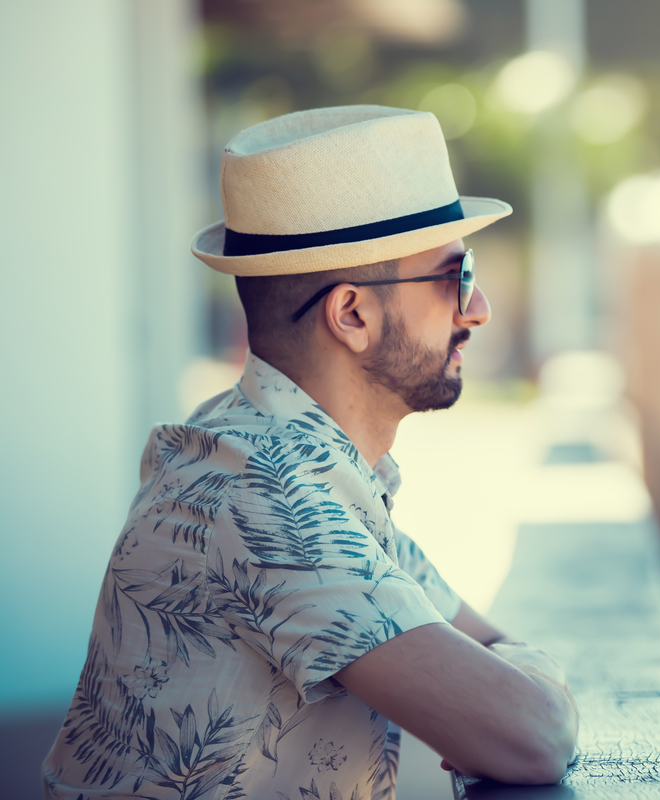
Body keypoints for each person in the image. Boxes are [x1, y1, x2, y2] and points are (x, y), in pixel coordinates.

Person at [42, 106, 579, 799]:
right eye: (456, 274)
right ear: (352, 314)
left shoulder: (296, 465)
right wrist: (537, 679)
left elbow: (488, 654)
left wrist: (519, 673)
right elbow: (532, 735)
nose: (477, 310)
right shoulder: (266, 497)